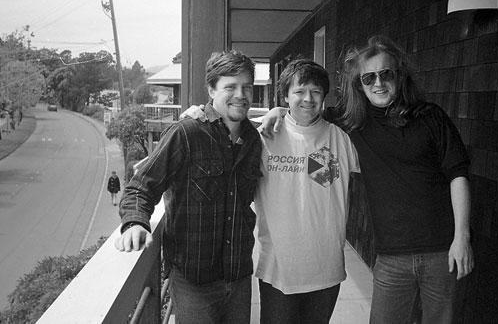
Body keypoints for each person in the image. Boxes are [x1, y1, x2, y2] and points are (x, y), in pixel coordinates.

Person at [262, 36, 473, 323]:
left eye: (386, 74)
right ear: (359, 84)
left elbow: (458, 174)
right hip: (391, 256)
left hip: (442, 250)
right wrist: (277, 111)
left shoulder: (429, 117)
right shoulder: (355, 123)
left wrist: (462, 237)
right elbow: (301, 114)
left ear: (399, 76)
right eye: (368, 77)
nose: (378, 83)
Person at [182, 60, 360, 323]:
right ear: (285, 96)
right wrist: (198, 115)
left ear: (324, 96)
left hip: (326, 269)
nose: (308, 99)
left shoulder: (341, 139)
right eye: (299, 91)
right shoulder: (263, 136)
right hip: (278, 270)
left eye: (316, 91)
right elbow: (223, 131)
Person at [115, 50, 263, 324]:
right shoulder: (187, 133)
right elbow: (141, 187)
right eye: (230, 87)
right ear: (211, 90)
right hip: (194, 283)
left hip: (239, 276)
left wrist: (279, 112)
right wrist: (135, 223)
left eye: (247, 87)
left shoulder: (254, 139)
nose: (240, 95)